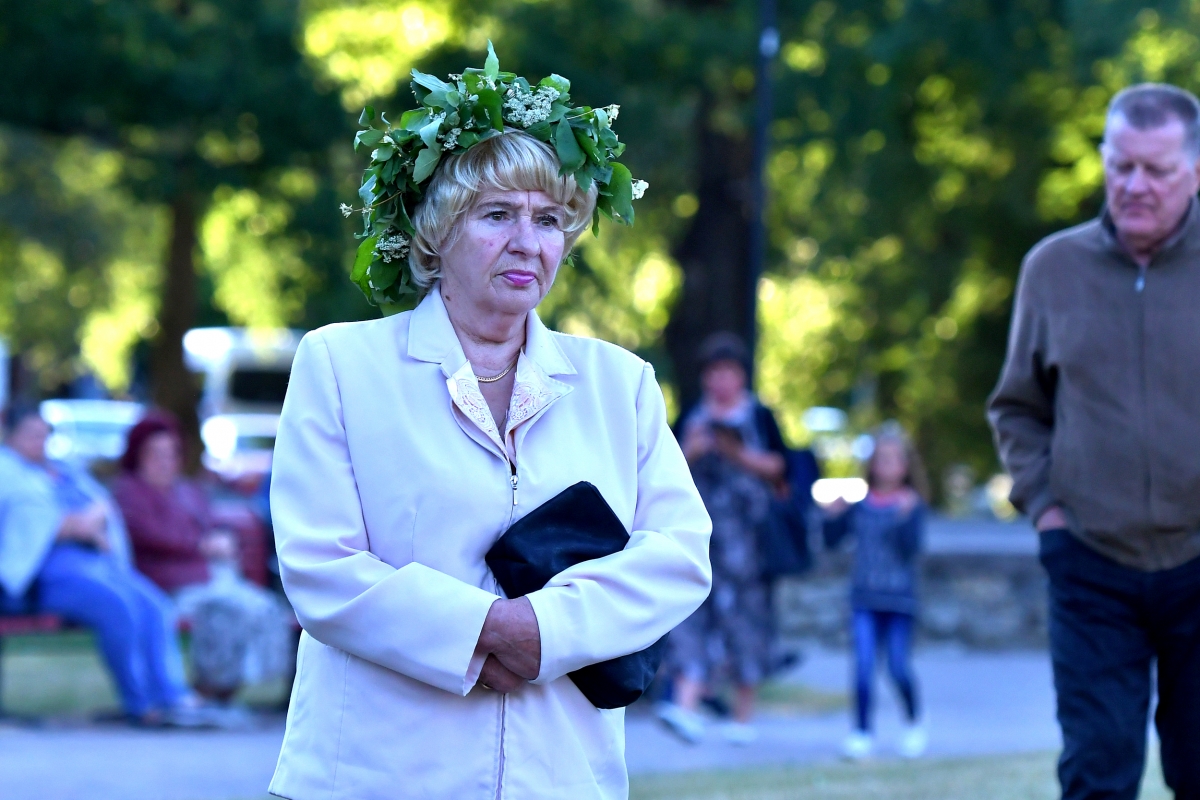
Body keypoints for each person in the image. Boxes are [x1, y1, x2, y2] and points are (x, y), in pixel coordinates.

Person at [266, 54, 712, 800]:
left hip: (561, 774)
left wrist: (546, 631)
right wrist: (480, 632)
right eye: (498, 215)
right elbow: (319, 565)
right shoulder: (341, 364)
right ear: (437, 233)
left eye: (549, 220)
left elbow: (679, 554)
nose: (528, 242)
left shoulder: (620, 383)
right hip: (377, 774)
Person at [988, 83, 1200, 800]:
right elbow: (1017, 407)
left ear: (1194, 171)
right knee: (1097, 769)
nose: (1135, 185)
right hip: (1091, 562)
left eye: (1157, 170)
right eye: (1121, 166)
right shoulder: (1053, 269)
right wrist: (1047, 509)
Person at [0, 406, 193, 725]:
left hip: (96, 562)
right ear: (10, 436)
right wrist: (79, 526)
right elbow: (31, 525)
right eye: (31, 435)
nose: (39, 442)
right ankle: (143, 705)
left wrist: (85, 523)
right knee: (118, 606)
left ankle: (174, 696)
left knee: (155, 605)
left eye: (44, 435)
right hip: (47, 573)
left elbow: (102, 502)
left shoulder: (61, 469)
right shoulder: (7, 471)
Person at [656, 333, 788, 745]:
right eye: (713, 373)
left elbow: (782, 468)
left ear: (741, 376)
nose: (720, 381)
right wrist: (692, 449)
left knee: (745, 621)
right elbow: (664, 468)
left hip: (748, 545)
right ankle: (686, 706)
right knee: (690, 613)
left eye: (727, 372)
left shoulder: (759, 416)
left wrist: (738, 453)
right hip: (698, 537)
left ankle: (742, 718)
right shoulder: (692, 417)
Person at [113, 413, 292, 704]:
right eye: (156, 455)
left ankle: (226, 691)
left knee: (265, 607)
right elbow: (149, 536)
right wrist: (202, 545)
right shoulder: (130, 493)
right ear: (138, 456)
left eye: (171, 454)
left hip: (211, 579)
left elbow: (214, 525)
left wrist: (224, 538)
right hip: (165, 586)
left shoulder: (186, 491)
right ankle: (207, 693)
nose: (165, 462)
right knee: (228, 611)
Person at [822, 424, 928, 760]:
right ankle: (862, 732)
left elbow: (911, 549)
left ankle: (912, 723)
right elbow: (830, 541)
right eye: (881, 458)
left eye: (893, 459)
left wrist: (904, 518)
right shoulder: (860, 506)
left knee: (898, 666)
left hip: (899, 601)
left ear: (905, 466)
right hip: (864, 599)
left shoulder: (911, 505)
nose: (886, 465)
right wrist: (832, 515)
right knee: (864, 666)